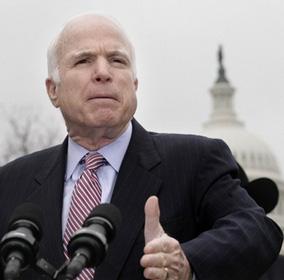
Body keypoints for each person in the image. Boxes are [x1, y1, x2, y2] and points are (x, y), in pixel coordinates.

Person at [0, 13, 282, 280]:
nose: (103, 72)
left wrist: (187, 261)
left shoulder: (194, 160)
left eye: (117, 60)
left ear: (134, 84)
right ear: (53, 89)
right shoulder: (11, 184)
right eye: (83, 60)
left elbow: (256, 229)